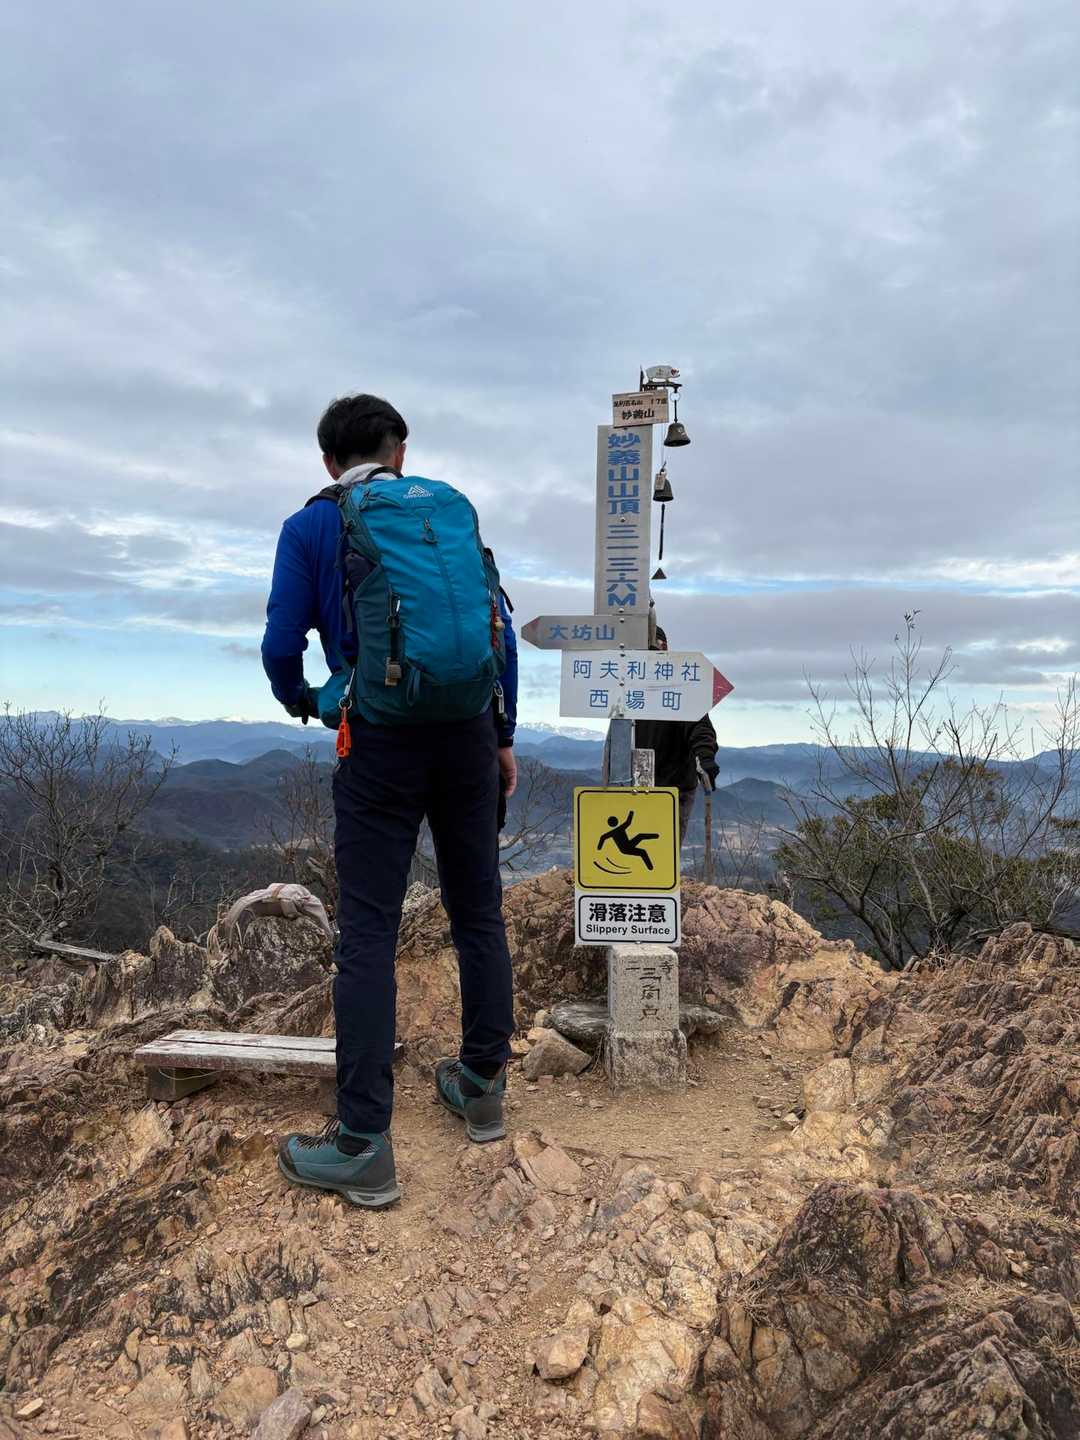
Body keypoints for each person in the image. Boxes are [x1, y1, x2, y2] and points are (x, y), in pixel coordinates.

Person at [261, 394, 518, 1207]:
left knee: (368, 931)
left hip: (377, 741)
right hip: (468, 734)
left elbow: (280, 644)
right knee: (478, 911)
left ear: (328, 461)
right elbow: (497, 629)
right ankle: (481, 1085)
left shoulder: (313, 526)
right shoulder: (446, 515)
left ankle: (364, 1143)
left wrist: (308, 701)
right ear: (398, 451)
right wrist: (501, 735)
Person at [634, 627, 719, 843]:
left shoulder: (679, 687)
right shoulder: (627, 686)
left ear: (665, 649)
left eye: (654, 648)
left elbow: (699, 725)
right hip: (633, 786)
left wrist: (705, 756)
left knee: (664, 851)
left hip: (673, 788)